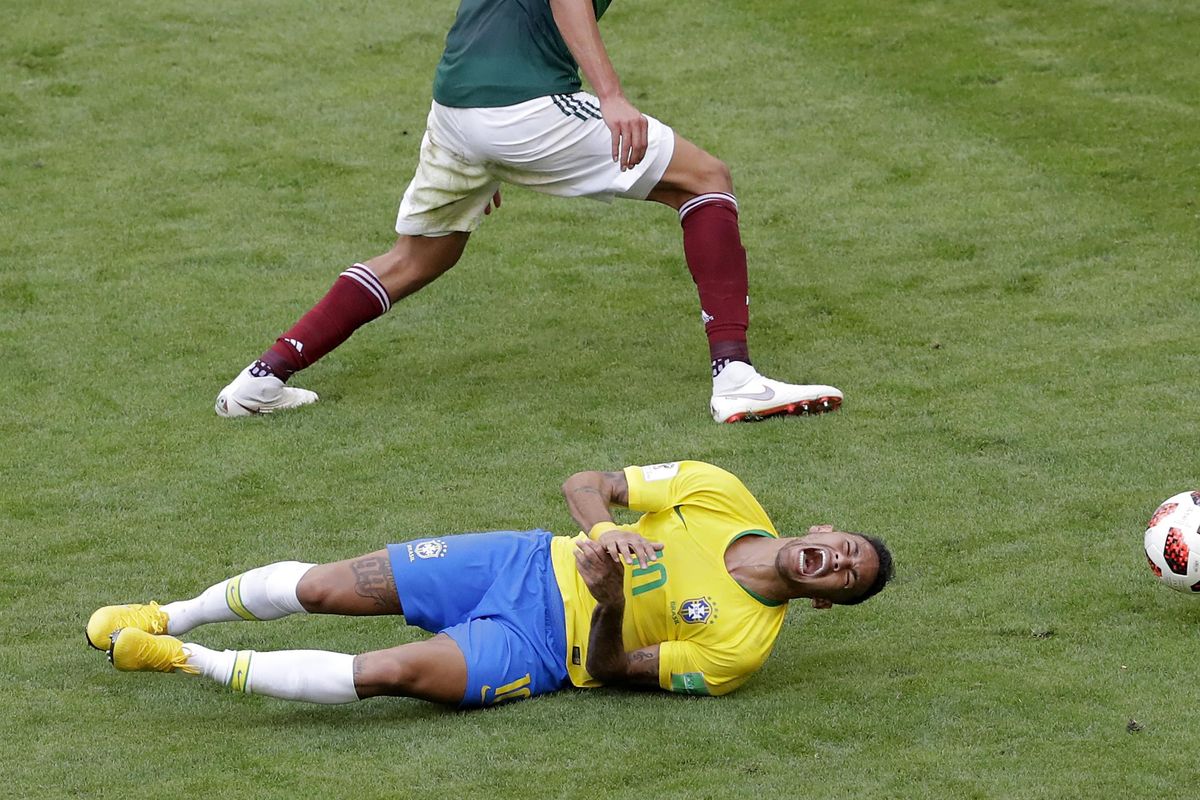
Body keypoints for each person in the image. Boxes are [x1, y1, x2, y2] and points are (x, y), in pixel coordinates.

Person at [213, 0, 843, 424]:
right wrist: (612, 97)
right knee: (705, 180)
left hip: (458, 106)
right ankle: (735, 378)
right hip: (524, 107)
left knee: (422, 254)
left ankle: (261, 379)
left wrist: (486, 152)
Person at [86, 461, 893, 707]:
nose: (838, 562)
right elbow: (590, 483)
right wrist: (607, 534)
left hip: (540, 648)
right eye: (845, 548)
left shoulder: (739, 653)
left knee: (389, 673)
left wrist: (611, 608)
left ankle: (177, 659)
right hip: (519, 560)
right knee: (329, 587)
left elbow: (611, 672)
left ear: (825, 601)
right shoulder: (719, 491)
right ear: (822, 533)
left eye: (848, 579)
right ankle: (170, 612)